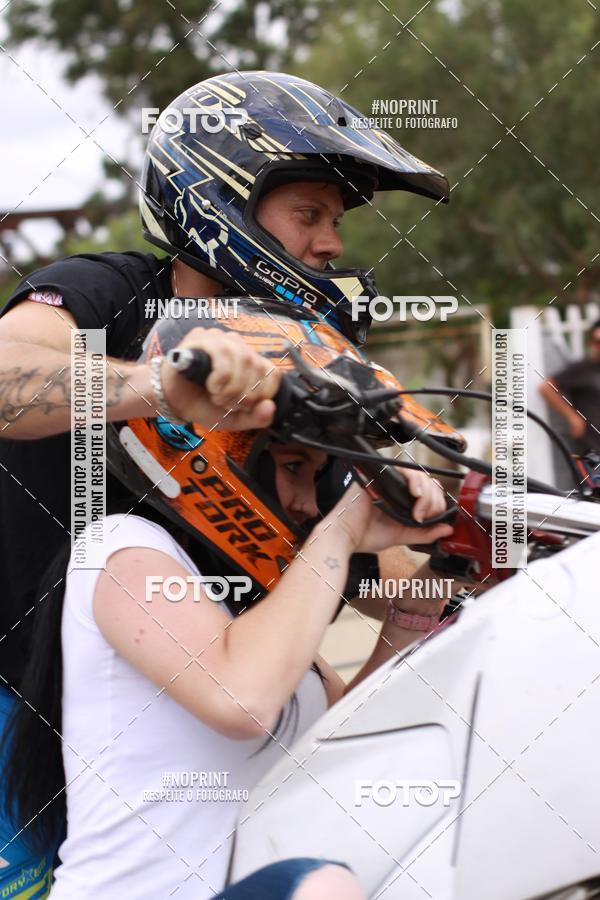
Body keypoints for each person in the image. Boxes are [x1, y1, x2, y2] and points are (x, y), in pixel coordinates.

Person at [0, 70, 451, 890]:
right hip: (19, 710)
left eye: (336, 222)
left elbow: (375, 579)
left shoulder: (309, 369)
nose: (332, 246)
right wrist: (159, 385)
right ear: (223, 203)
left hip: (191, 719)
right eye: (308, 214)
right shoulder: (114, 293)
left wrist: (456, 560)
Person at [1, 344, 452, 897]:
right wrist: (345, 528)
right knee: (324, 887)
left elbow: (347, 742)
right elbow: (242, 702)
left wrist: (440, 577)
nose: (309, 505)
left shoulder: (249, 613)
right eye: (293, 469)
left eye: (318, 480)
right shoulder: (119, 548)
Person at [538, 318, 600, 454]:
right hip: (592, 452)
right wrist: (572, 417)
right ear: (591, 343)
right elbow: (547, 388)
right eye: (597, 342)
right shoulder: (583, 368)